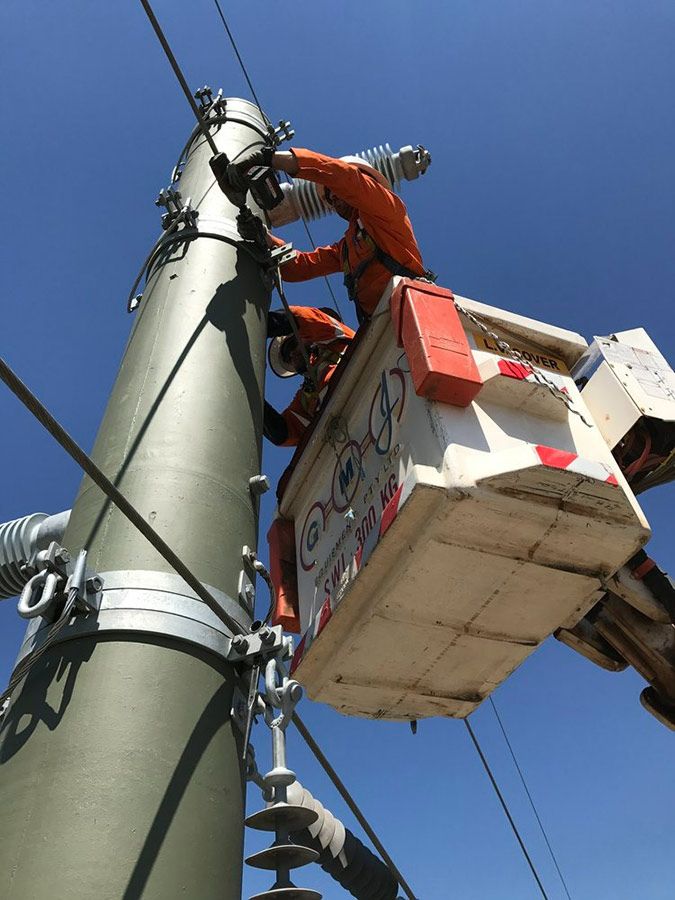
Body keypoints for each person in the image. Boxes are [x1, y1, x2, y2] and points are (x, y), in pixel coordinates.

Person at [212, 147, 432, 324]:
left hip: (415, 312)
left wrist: (270, 158)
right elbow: (300, 267)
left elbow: (344, 179)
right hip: (384, 329)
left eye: (333, 193)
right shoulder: (347, 248)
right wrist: (265, 238)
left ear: (368, 181)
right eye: (329, 198)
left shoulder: (388, 208)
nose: (333, 201)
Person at [264, 305, 355, 447]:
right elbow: (283, 433)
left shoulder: (335, 338)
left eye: (292, 345)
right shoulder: (305, 397)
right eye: (287, 357)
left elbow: (304, 318)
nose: (292, 354)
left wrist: (259, 326)